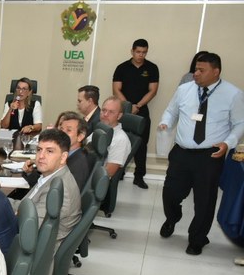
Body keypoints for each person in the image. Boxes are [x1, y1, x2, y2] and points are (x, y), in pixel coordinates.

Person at [159, 52, 244, 256]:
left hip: (210, 155)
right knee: (170, 193)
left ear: (216, 72)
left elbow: (240, 123)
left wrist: (228, 143)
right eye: (195, 69)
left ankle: (197, 238)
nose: (195, 73)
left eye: (201, 70)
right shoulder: (184, 89)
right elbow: (171, 111)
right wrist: (166, 122)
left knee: (204, 201)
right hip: (181, 152)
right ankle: (172, 218)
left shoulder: (233, 94)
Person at [19, 129, 82, 251]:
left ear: (63, 157)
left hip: (35, 251)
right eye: (39, 150)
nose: (41, 156)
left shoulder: (58, 190)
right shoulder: (51, 176)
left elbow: (29, 229)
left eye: (49, 151)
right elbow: (26, 204)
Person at [113, 39, 160, 189]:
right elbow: (116, 89)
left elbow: (153, 90)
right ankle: (118, 173)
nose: (141, 55)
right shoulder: (122, 67)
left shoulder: (152, 68)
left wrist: (138, 105)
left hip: (142, 110)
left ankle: (139, 176)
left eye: (144, 52)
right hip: (123, 111)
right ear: (132, 51)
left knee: (141, 143)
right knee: (121, 142)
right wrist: (128, 106)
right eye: (138, 52)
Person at [55, 111, 91, 192]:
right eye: (61, 129)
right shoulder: (68, 155)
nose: (62, 133)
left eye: (68, 130)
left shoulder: (78, 164)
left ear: (80, 136)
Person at [98, 96, 132, 178]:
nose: (105, 114)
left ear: (119, 116)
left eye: (111, 112)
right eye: (104, 110)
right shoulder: (100, 130)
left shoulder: (120, 139)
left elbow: (108, 172)